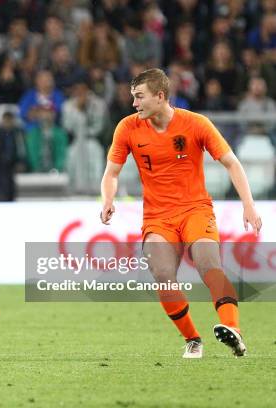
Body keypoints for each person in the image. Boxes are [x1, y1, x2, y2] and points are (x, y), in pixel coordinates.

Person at [100, 68, 262, 359]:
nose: (134, 104)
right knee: (162, 275)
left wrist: (248, 205)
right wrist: (108, 199)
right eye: (133, 98)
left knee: (208, 266)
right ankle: (192, 339)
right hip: (157, 218)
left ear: (160, 96)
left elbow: (232, 163)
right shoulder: (127, 128)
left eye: (139, 97)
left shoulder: (196, 124)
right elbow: (111, 172)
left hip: (195, 210)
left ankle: (232, 329)